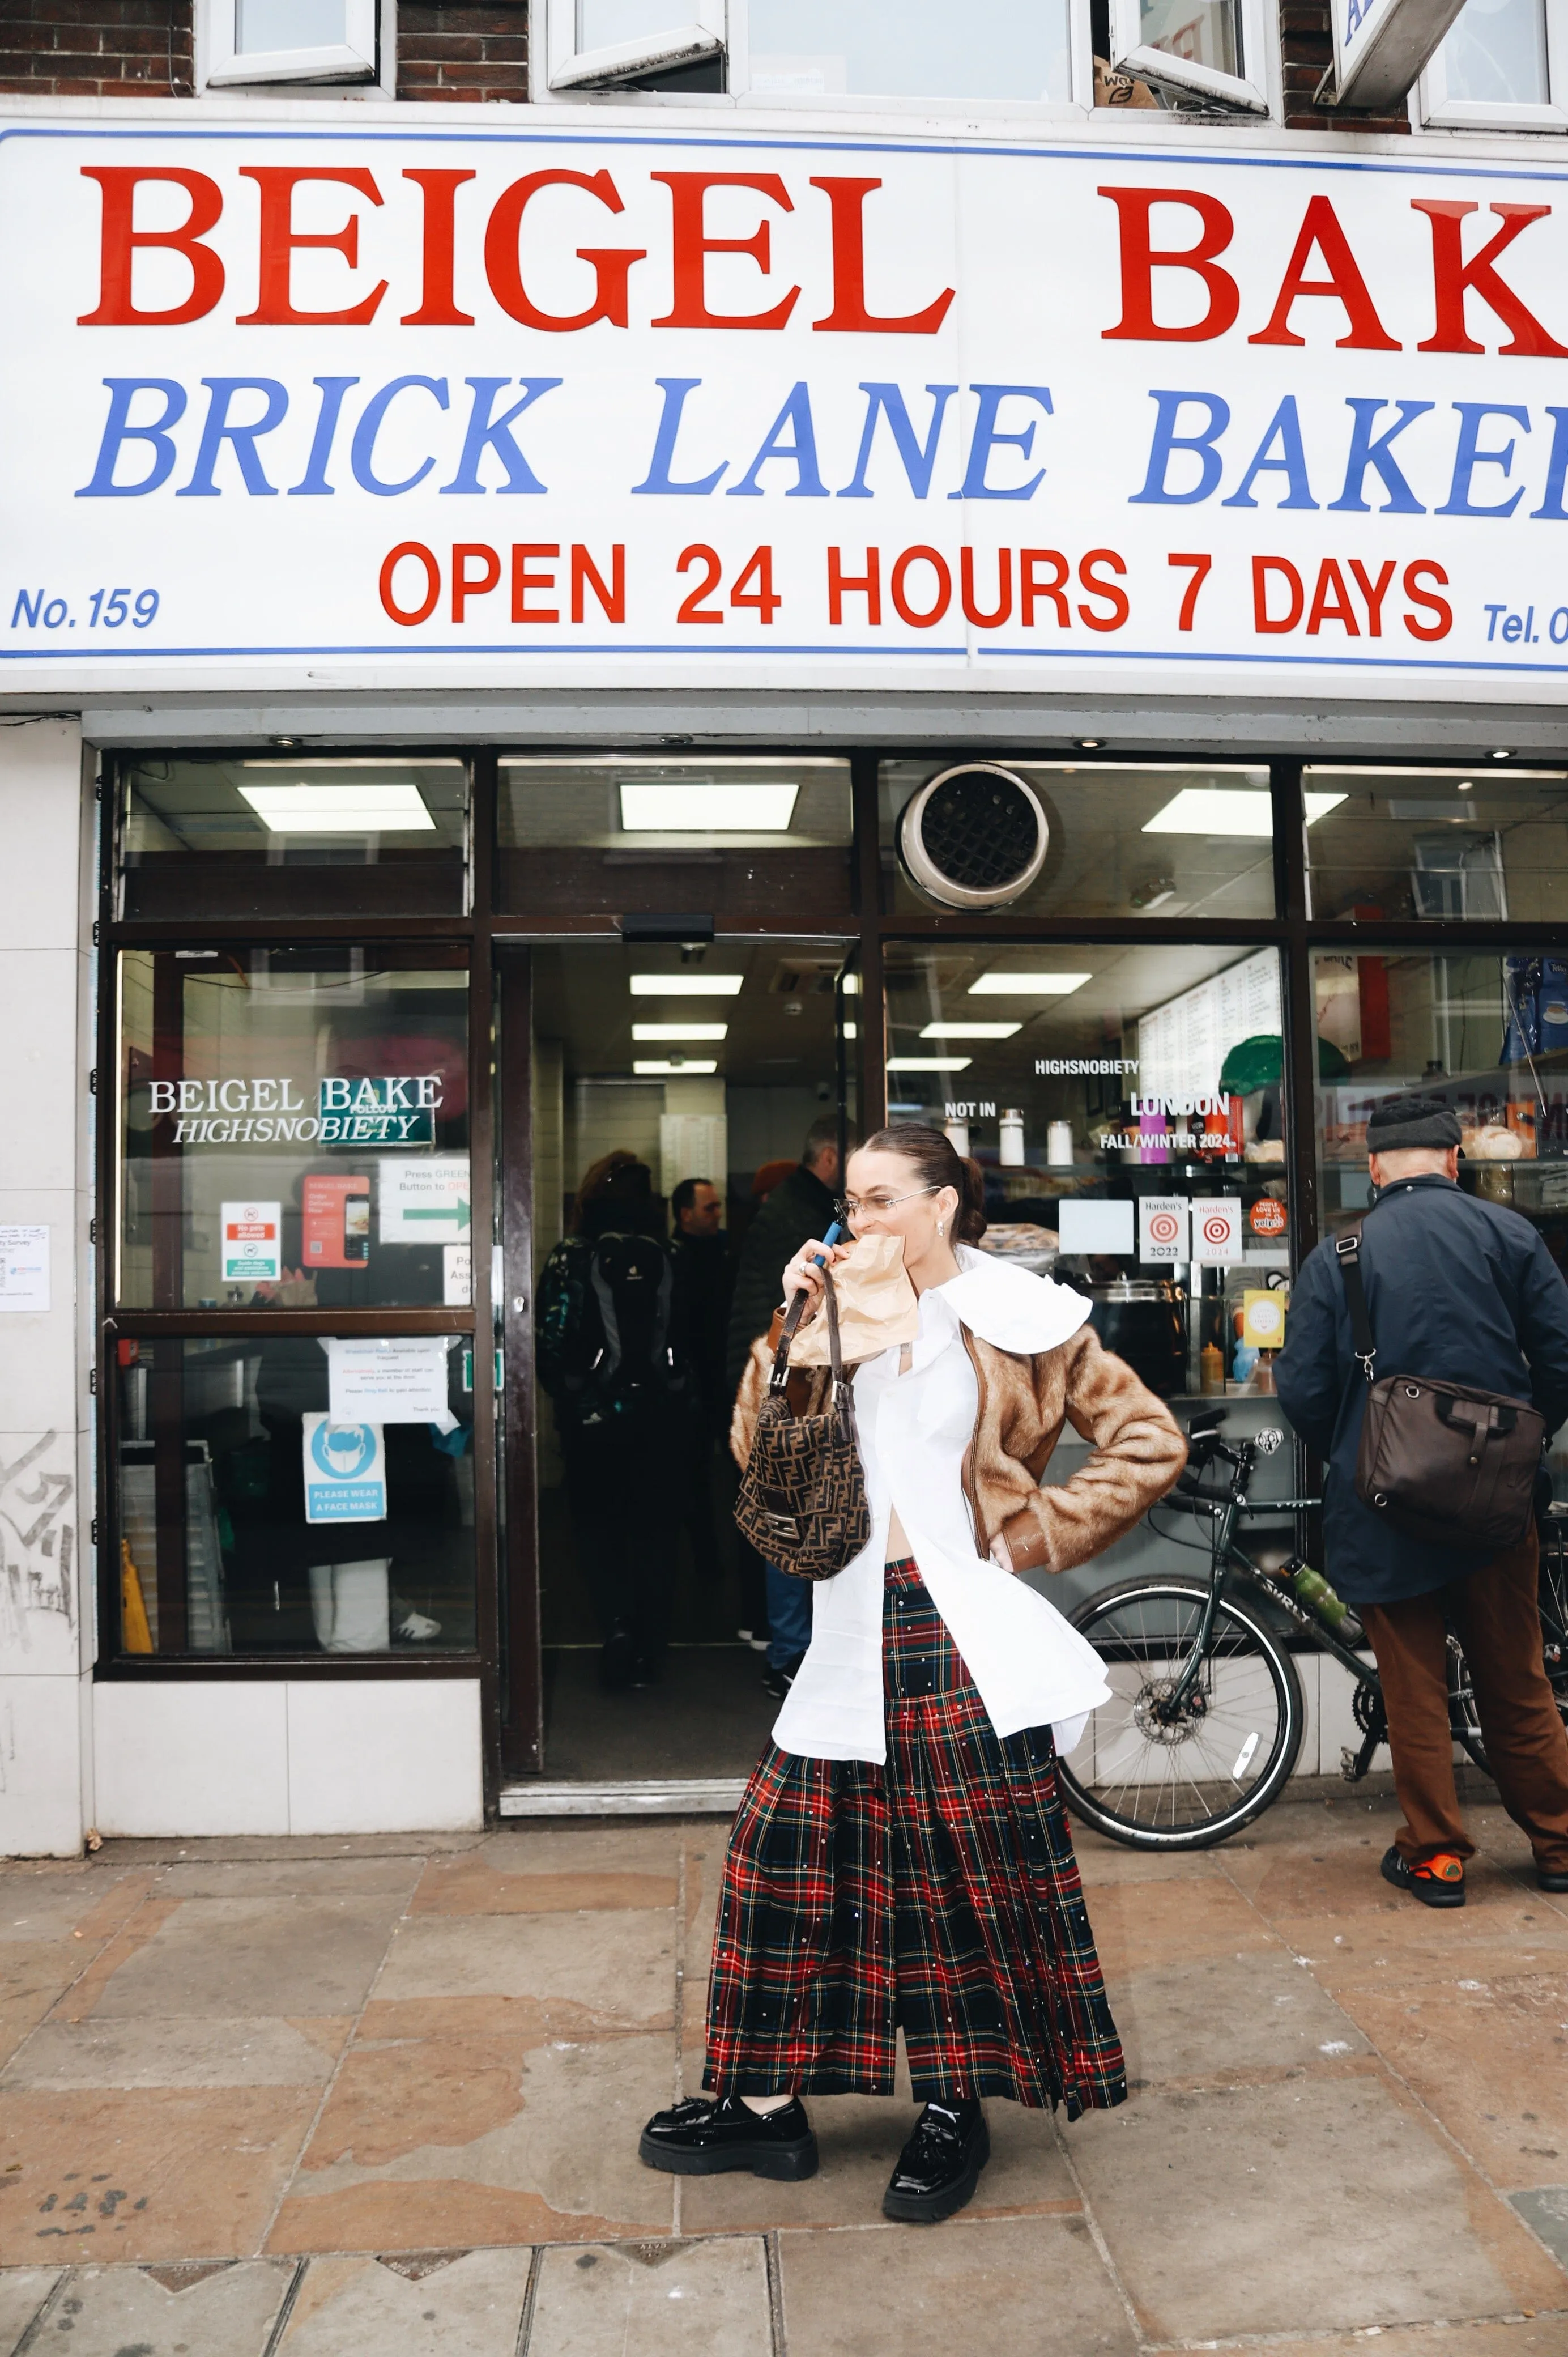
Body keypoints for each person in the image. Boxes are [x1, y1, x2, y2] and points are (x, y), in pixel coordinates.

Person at [640, 1124, 1187, 2223]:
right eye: (851, 1198)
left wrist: (1030, 1533)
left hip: (954, 1628)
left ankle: (952, 2110)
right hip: (845, 1625)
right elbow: (756, 1451)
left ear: (942, 1204)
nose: (858, 1219)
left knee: (953, 1878)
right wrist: (793, 1332)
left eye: (883, 1197)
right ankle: (763, 2105)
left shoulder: (1021, 1320)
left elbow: (1147, 1440)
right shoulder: (831, 1310)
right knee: (777, 1861)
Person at [1277, 1096, 1568, 1907]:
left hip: (1384, 1503)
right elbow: (1560, 1359)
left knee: (1414, 1689)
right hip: (1496, 1504)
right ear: (1454, 1161)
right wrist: (1520, 1447)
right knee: (1517, 1676)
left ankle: (1437, 1855)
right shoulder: (1513, 1237)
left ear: (1374, 1169)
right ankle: (1558, 1843)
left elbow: (1303, 1388)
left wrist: (1352, 1448)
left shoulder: (1338, 1254)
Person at [536, 1151, 688, 1690]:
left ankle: (616, 1629)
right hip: (658, 1420)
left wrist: (573, 1396)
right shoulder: (668, 1254)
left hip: (592, 1423)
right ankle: (650, 1647)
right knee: (654, 1534)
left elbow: (549, 1344)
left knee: (599, 1532)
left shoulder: (570, 1256)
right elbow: (688, 1339)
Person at [726, 1117, 858, 1695]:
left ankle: (788, 1648)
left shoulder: (785, 1205)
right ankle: (792, 1653)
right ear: (831, 1158)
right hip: (790, 1373)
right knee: (794, 1511)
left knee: (789, 1509)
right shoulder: (809, 1216)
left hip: (775, 1368)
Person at [668, 1177, 730, 1586]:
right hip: (690, 1383)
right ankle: (703, 1563)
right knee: (691, 1477)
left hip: (724, 1377)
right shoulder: (671, 1260)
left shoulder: (727, 1252)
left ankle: (720, 1560)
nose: (718, 1213)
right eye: (709, 1208)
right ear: (686, 1214)